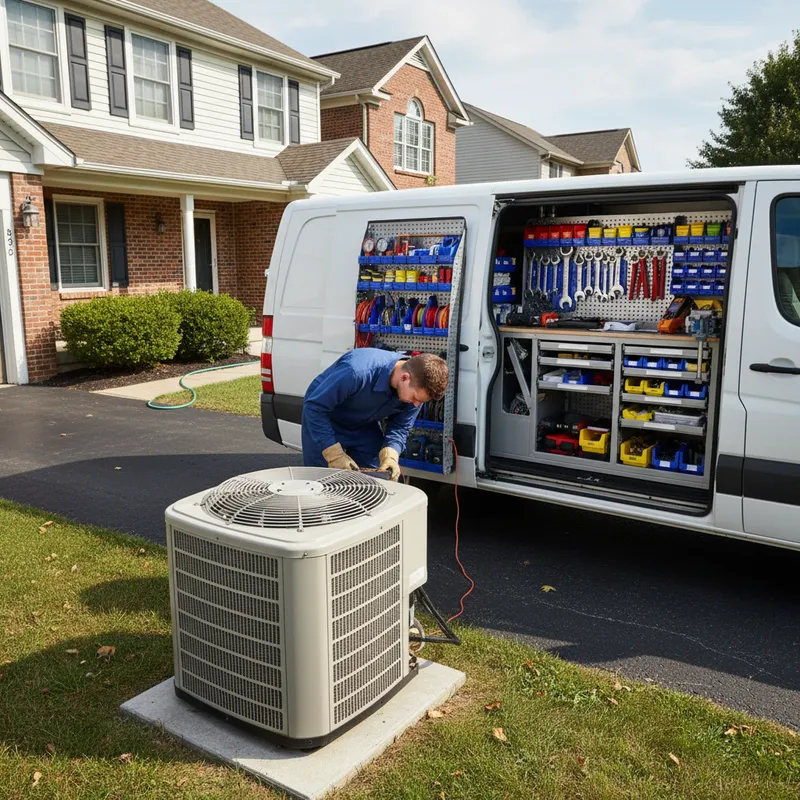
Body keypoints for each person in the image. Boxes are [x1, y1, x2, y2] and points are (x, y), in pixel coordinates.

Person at [301, 349, 448, 481]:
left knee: (374, 482)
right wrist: (333, 454)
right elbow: (314, 407)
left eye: (420, 401)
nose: (416, 404)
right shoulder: (357, 371)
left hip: (364, 426)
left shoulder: (416, 388)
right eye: (415, 398)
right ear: (405, 377)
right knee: (321, 483)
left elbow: (400, 427)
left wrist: (391, 453)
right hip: (326, 422)